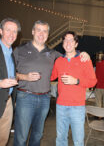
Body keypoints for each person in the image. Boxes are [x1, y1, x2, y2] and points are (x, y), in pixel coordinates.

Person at [13, 21, 90, 146]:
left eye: (45, 31)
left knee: (37, 135)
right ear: (33, 31)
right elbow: (7, 72)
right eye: (38, 30)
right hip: (25, 97)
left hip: (44, 99)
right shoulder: (20, 50)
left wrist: (83, 54)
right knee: (21, 136)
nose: (41, 34)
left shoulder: (53, 54)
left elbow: (69, 55)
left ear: (48, 35)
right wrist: (24, 76)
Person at [51, 31, 97, 146]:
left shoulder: (84, 59)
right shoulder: (58, 61)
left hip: (77, 107)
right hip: (61, 106)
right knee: (61, 139)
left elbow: (93, 81)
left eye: (71, 40)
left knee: (78, 140)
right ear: (62, 44)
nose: (68, 43)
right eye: (65, 40)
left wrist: (76, 81)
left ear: (76, 44)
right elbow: (51, 76)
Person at [0, 18, 20, 146]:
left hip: (7, 102)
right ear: (1, 31)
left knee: (3, 139)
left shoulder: (11, 52)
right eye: (8, 30)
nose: (12, 34)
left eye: (15, 31)